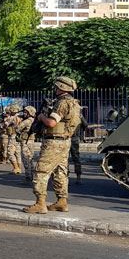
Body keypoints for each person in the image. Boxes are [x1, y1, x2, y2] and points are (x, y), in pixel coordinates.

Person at [23, 76, 81, 214]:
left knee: (41, 171)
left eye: (56, 87)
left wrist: (41, 117)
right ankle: (62, 201)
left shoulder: (62, 103)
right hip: (65, 141)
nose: (55, 89)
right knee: (60, 171)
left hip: (53, 142)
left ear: (61, 88)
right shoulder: (74, 103)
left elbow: (51, 123)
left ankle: (40, 204)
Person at [68, 103, 88, 184]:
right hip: (68, 138)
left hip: (73, 139)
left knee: (75, 158)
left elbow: (85, 125)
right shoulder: (70, 115)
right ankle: (67, 178)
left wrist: (81, 116)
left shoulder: (79, 116)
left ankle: (78, 177)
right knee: (65, 160)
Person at [18, 106, 37, 183]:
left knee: (25, 159)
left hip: (25, 141)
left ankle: (28, 177)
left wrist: (19, 122)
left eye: (26, 112)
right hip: (31, 141)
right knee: (30, 159)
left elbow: (18, 128)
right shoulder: (34, 120)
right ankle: (33, 176)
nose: (24, 113)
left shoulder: (27, 121)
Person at [5, 105, 22, 175]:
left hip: (12, 136)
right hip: (18, 136)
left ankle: (16, 168)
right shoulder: (20, 117)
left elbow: (6, 125)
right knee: (17, 153)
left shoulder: (12, 118)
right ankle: (19, 168)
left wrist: (6, 121)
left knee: (10, 153)